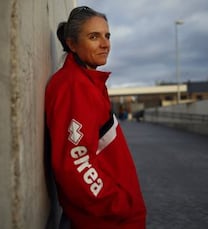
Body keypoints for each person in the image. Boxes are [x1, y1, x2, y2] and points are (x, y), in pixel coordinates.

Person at [44, 6, 147, 229]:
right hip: (103, 220)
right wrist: (118, 205)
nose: (105, 44)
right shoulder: (74, 86)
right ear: (72, 44)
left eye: (107, 35)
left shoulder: (88, 83)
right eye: (94, 37)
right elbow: (75, 163)